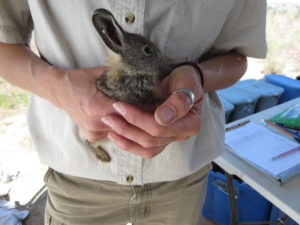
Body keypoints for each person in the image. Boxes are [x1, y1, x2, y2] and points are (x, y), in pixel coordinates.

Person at [0, 1, 267, 225]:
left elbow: (238, 57)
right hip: (77, 180)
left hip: (182, 175)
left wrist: (197, 77)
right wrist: (60, 87)